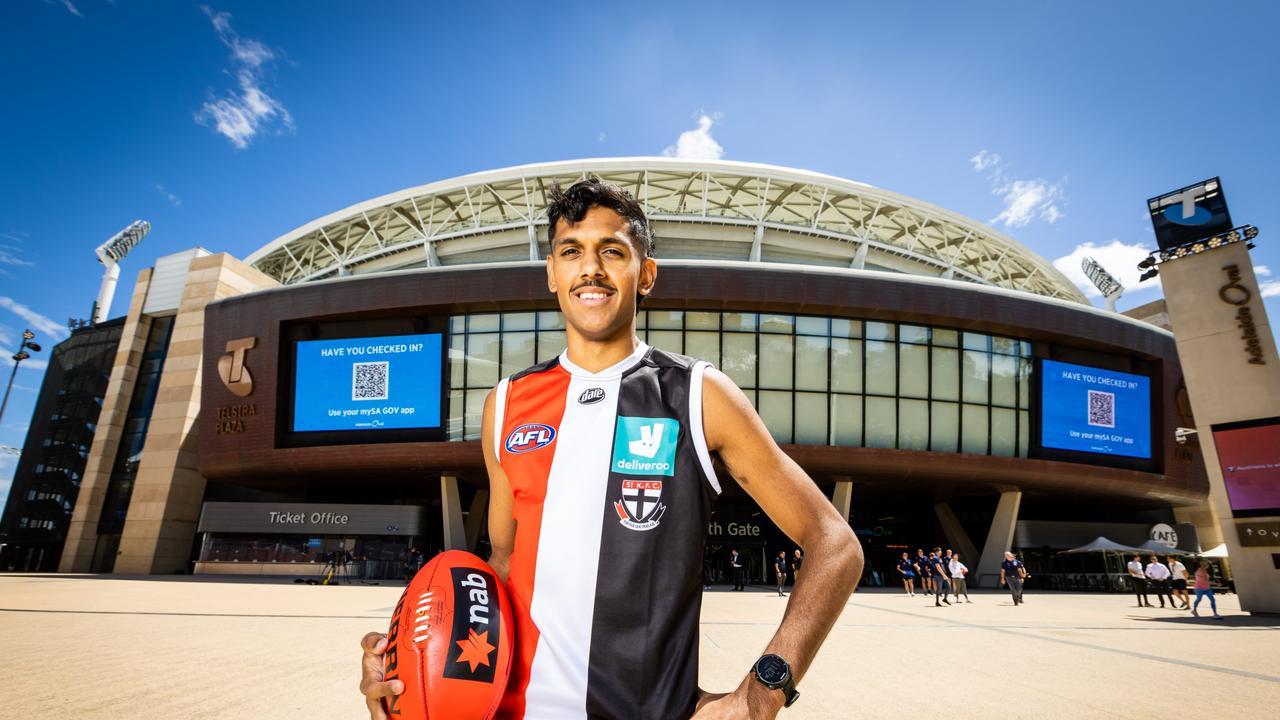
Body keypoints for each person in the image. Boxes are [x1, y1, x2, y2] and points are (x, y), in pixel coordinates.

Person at [358, 178, 863, 719]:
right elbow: (501, 564)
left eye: (612, 251)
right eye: (571, 251)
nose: (590, 268)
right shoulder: (506, 404)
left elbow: (835, 545)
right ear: (552, 273)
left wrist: (761, 695)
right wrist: (410, 664)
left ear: (645, 274)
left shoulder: (696, 394)